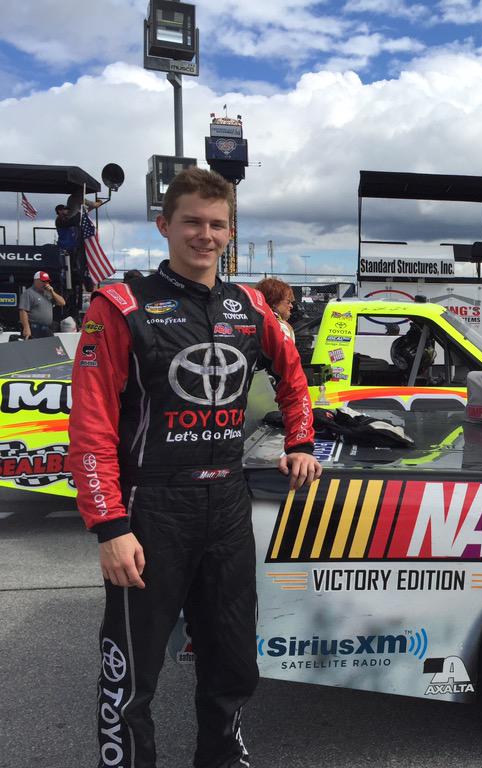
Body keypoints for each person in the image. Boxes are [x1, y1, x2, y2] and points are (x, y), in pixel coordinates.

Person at [68, 167, 320, 768]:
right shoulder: (120, 305)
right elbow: (90, 425)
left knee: (232, 660)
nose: (205, 235)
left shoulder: (249, 305)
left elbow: (293, 376)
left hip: (226, 505)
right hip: (152, 510)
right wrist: (110, 526)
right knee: (133, 669)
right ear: (164, 225)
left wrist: (301, 441)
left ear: (230, 232)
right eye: (192, 222)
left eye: (217, 224)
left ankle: (222, 757)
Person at [18, 270, 65, 339]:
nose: (46, 283)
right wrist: (26, 327)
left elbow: (62, 303)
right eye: (43, 281)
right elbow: (23, 311)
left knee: (51, 345)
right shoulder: (28, 293)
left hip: (47, 328)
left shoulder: (48, 294)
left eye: (47, 281)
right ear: (36, 280)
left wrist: (52, 292)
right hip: (34, 327)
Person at [255, 276, 297, 342]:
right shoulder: (279, 328)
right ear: (274, 302)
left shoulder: (253, 323)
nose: (291, 306)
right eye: (288, 302)